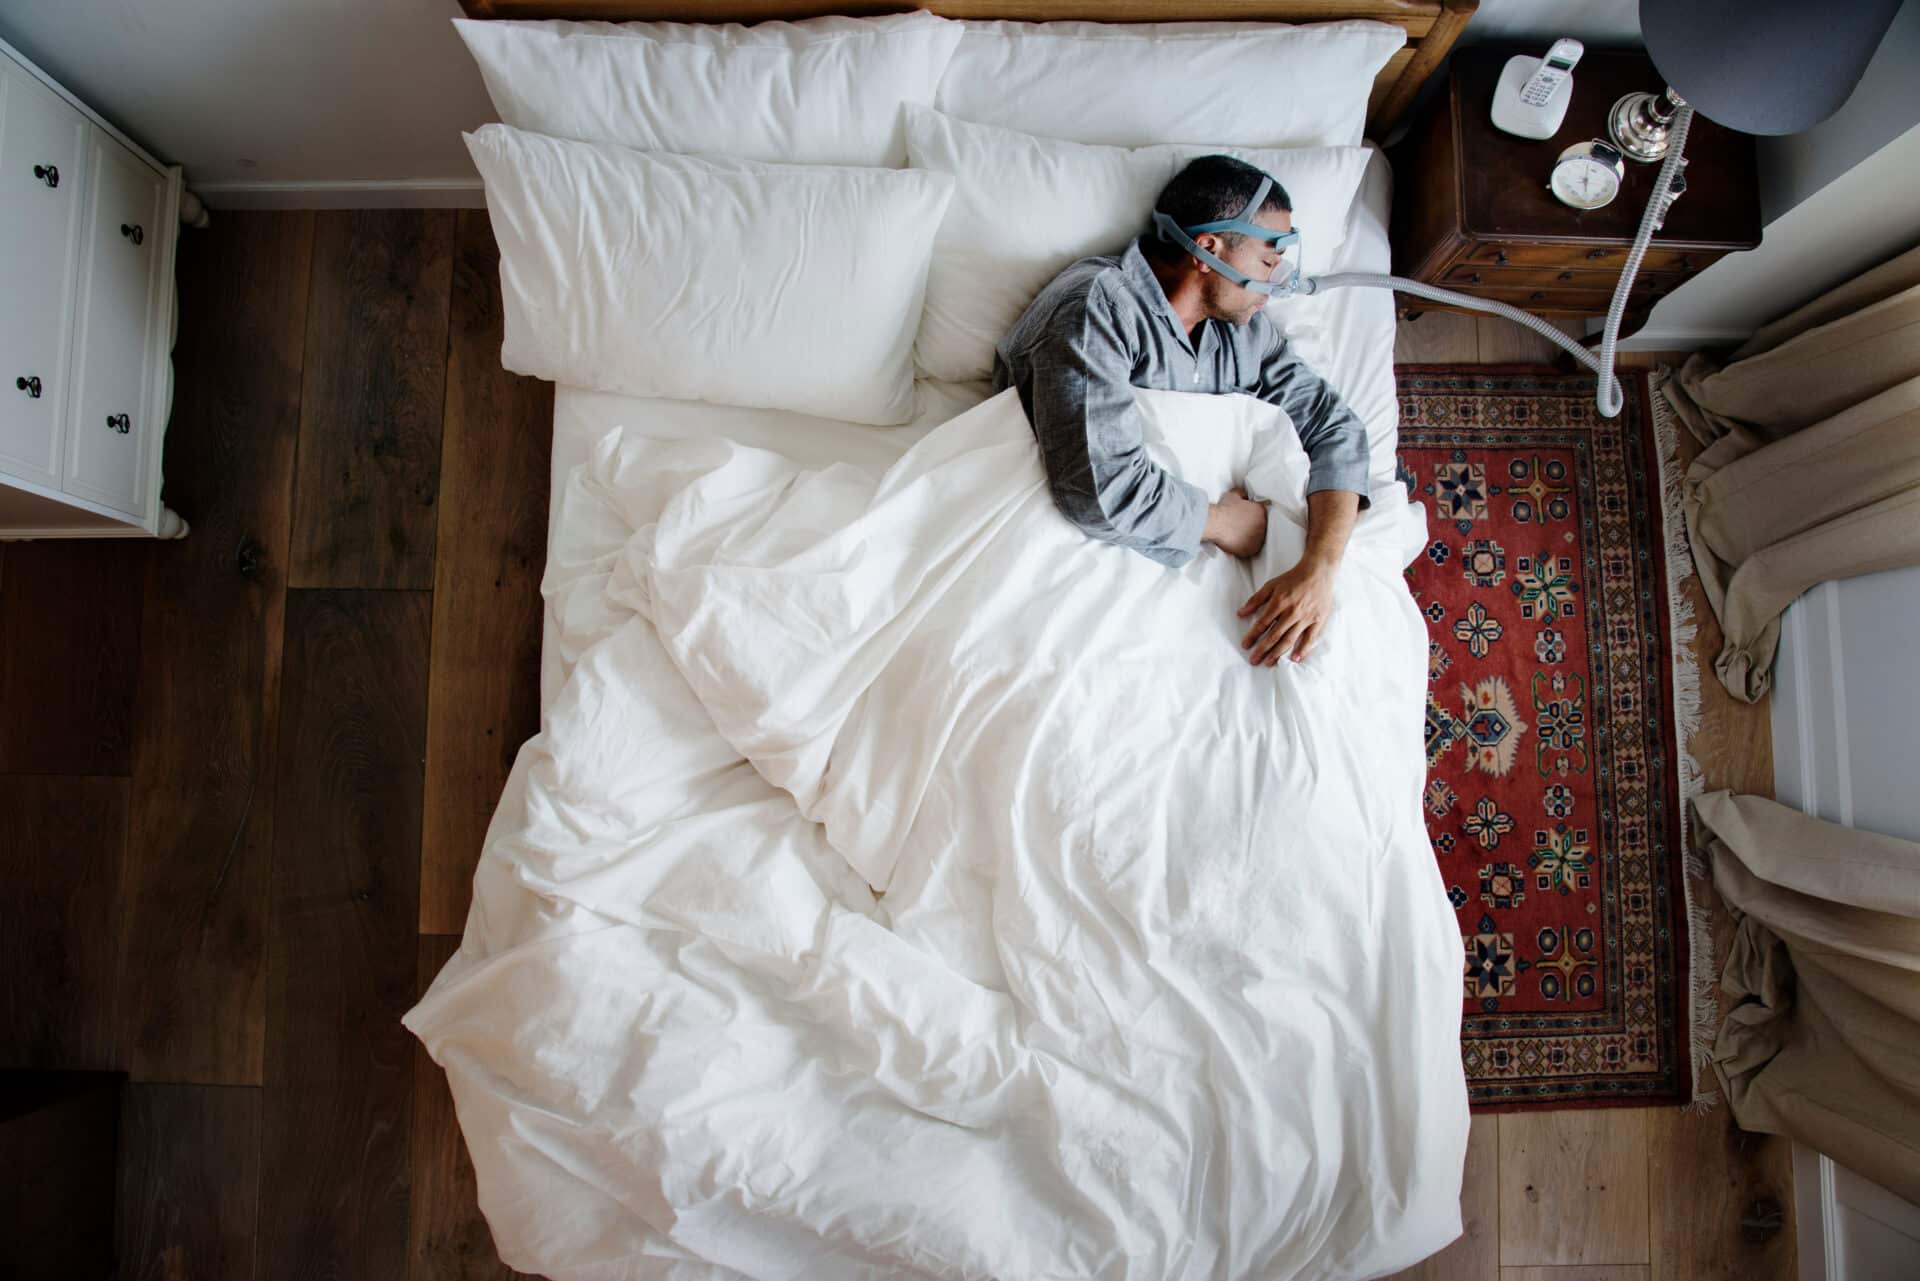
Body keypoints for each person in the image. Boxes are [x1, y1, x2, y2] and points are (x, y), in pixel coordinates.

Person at [993, 155, 1370, 667]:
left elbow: (1333, 427)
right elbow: (1099, 491)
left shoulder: (1243, 330)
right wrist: (1226, 526)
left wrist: (1319, 568)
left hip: (1198, 560)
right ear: (1207, 249)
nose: (1280, 278)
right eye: (1268, 258)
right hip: (1075, 545)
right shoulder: (1096, 308)